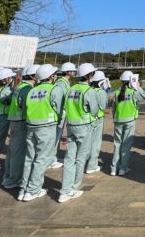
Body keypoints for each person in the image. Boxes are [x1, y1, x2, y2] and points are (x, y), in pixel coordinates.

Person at [20, 64, 63, 202]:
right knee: (42, 159)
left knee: (29, 158)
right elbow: (59, 108)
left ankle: (24, 188)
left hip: (31, 126)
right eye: (54, 74)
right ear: (51, 76)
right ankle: (33, 190)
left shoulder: (32, 90)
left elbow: (25, 108)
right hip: (47, 127)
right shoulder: (54, 89)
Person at [59, 63, 99, 203]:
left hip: (71, 126)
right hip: (84, 126)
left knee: (69, 158)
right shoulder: (89, 91)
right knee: (81, 157)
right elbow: (94, 110)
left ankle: (64, 190)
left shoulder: (71, 89)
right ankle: (74, 187)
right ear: (89, 76)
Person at [2, 64, 38, 190]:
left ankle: (8, 176)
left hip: (14, 120)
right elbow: (27, 106)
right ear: (33, 76)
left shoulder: (19, 87)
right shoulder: (27, 89)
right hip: (21, 121)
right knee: (19, 152)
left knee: (12, 150)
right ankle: (14, 179)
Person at [111, 70, 145, 176]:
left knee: (117, 144)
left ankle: (113, 168)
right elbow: (144, 96)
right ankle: (123, 168)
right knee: (126, 146)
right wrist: (137, 86)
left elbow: (114, 108)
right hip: (129, 121)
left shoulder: (117, 92)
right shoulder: (133, 92)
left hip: (118, 120)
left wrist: (114, 119)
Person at [49, 62, 77, 170]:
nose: (74, 72)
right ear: (68, 72)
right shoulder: (61, 83)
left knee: (58, 135)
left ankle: (53, 158)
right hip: (60, 112)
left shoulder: (65, 82)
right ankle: (51, 160)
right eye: (73, 70)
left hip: (62, 111)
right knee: (55, 136)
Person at [85, 70, 109, 174]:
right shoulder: (101, 91)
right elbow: (103, 106)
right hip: (98, 118)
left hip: (87, 119)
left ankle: (84, 163)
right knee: (95, 143)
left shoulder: (88, 89)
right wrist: (105, 92)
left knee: (87, 143)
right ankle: (92, 165)